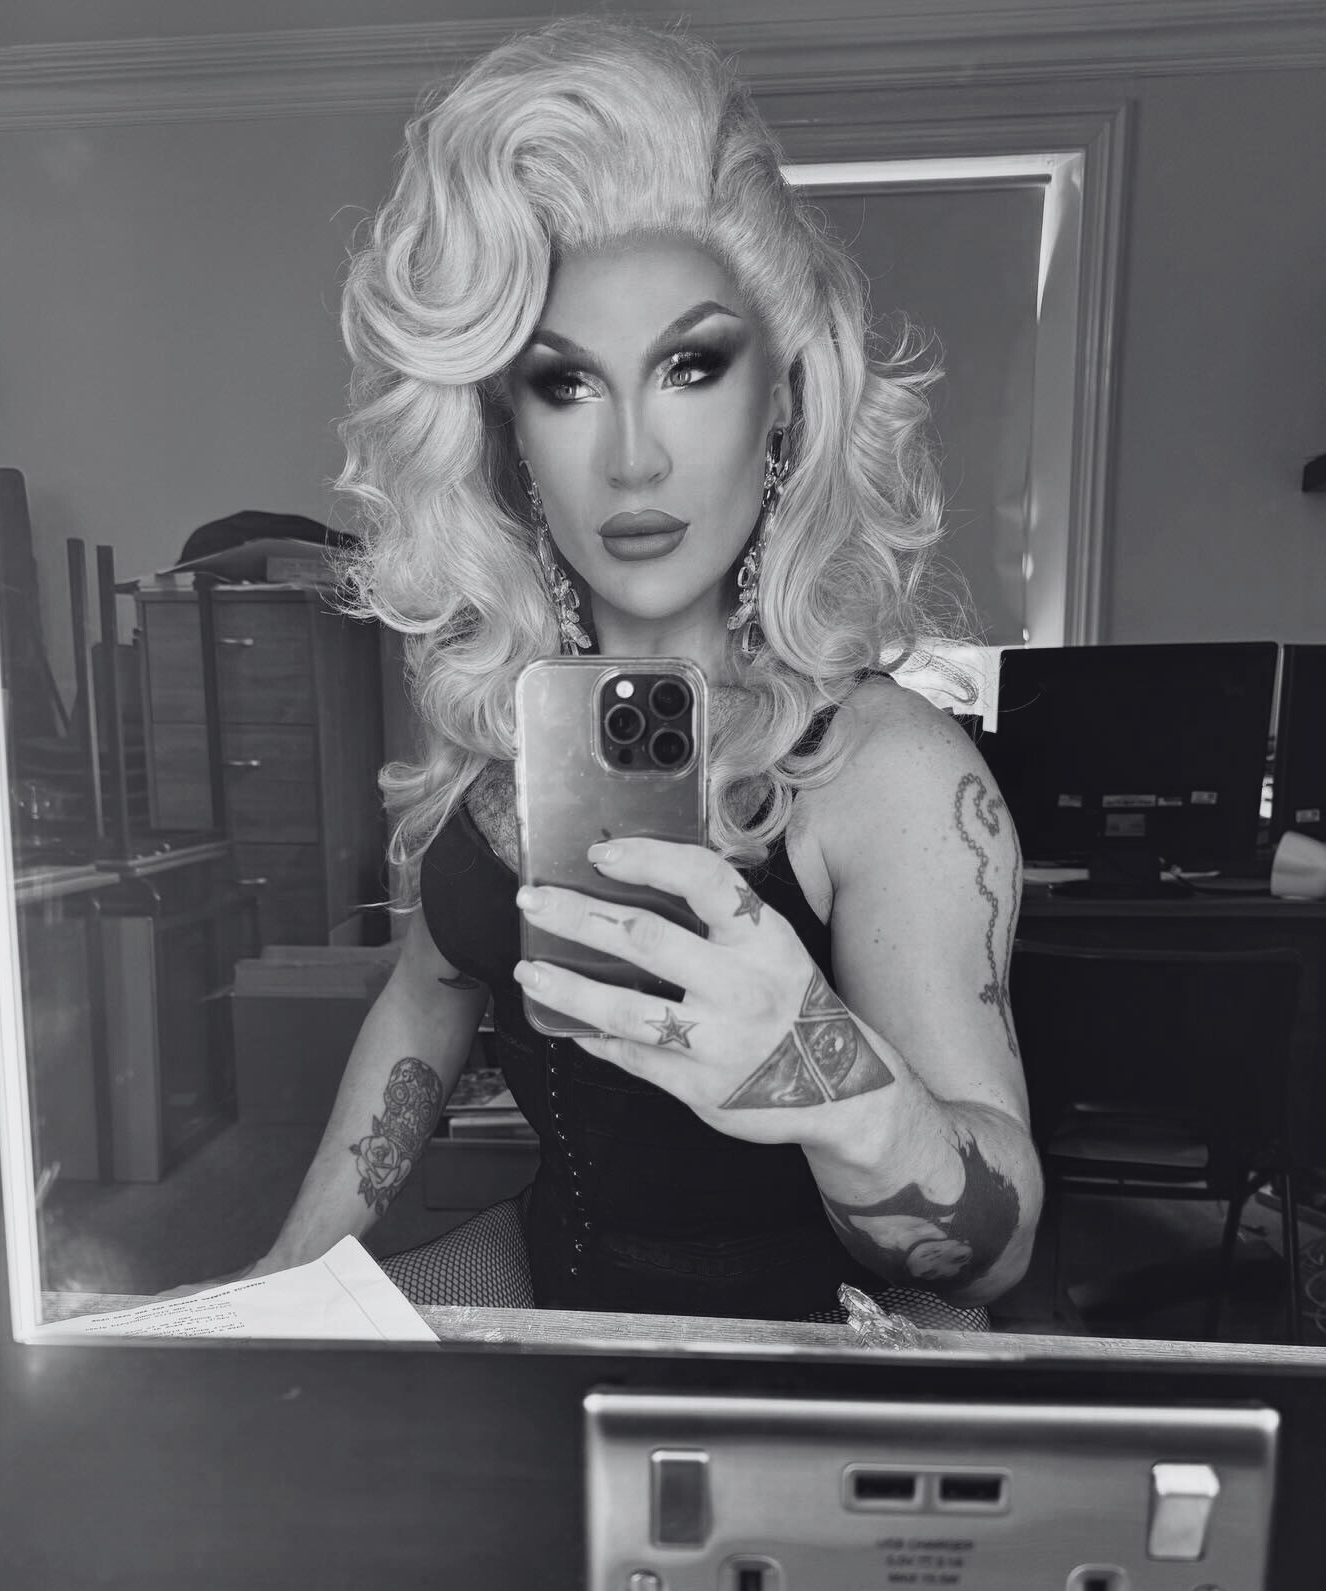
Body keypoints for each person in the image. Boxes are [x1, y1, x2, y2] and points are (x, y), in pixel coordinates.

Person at [248, 16, 1041, 1327]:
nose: (632, 457)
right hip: (546, 1293)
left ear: (781, 400)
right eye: (564, 385)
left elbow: (999, 1253)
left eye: (691, 366)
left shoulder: (885, 770)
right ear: (508, 435)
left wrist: (826, 1078)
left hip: (795, 1367)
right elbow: (426, 999)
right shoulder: (509, 725)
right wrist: (283, 1279)